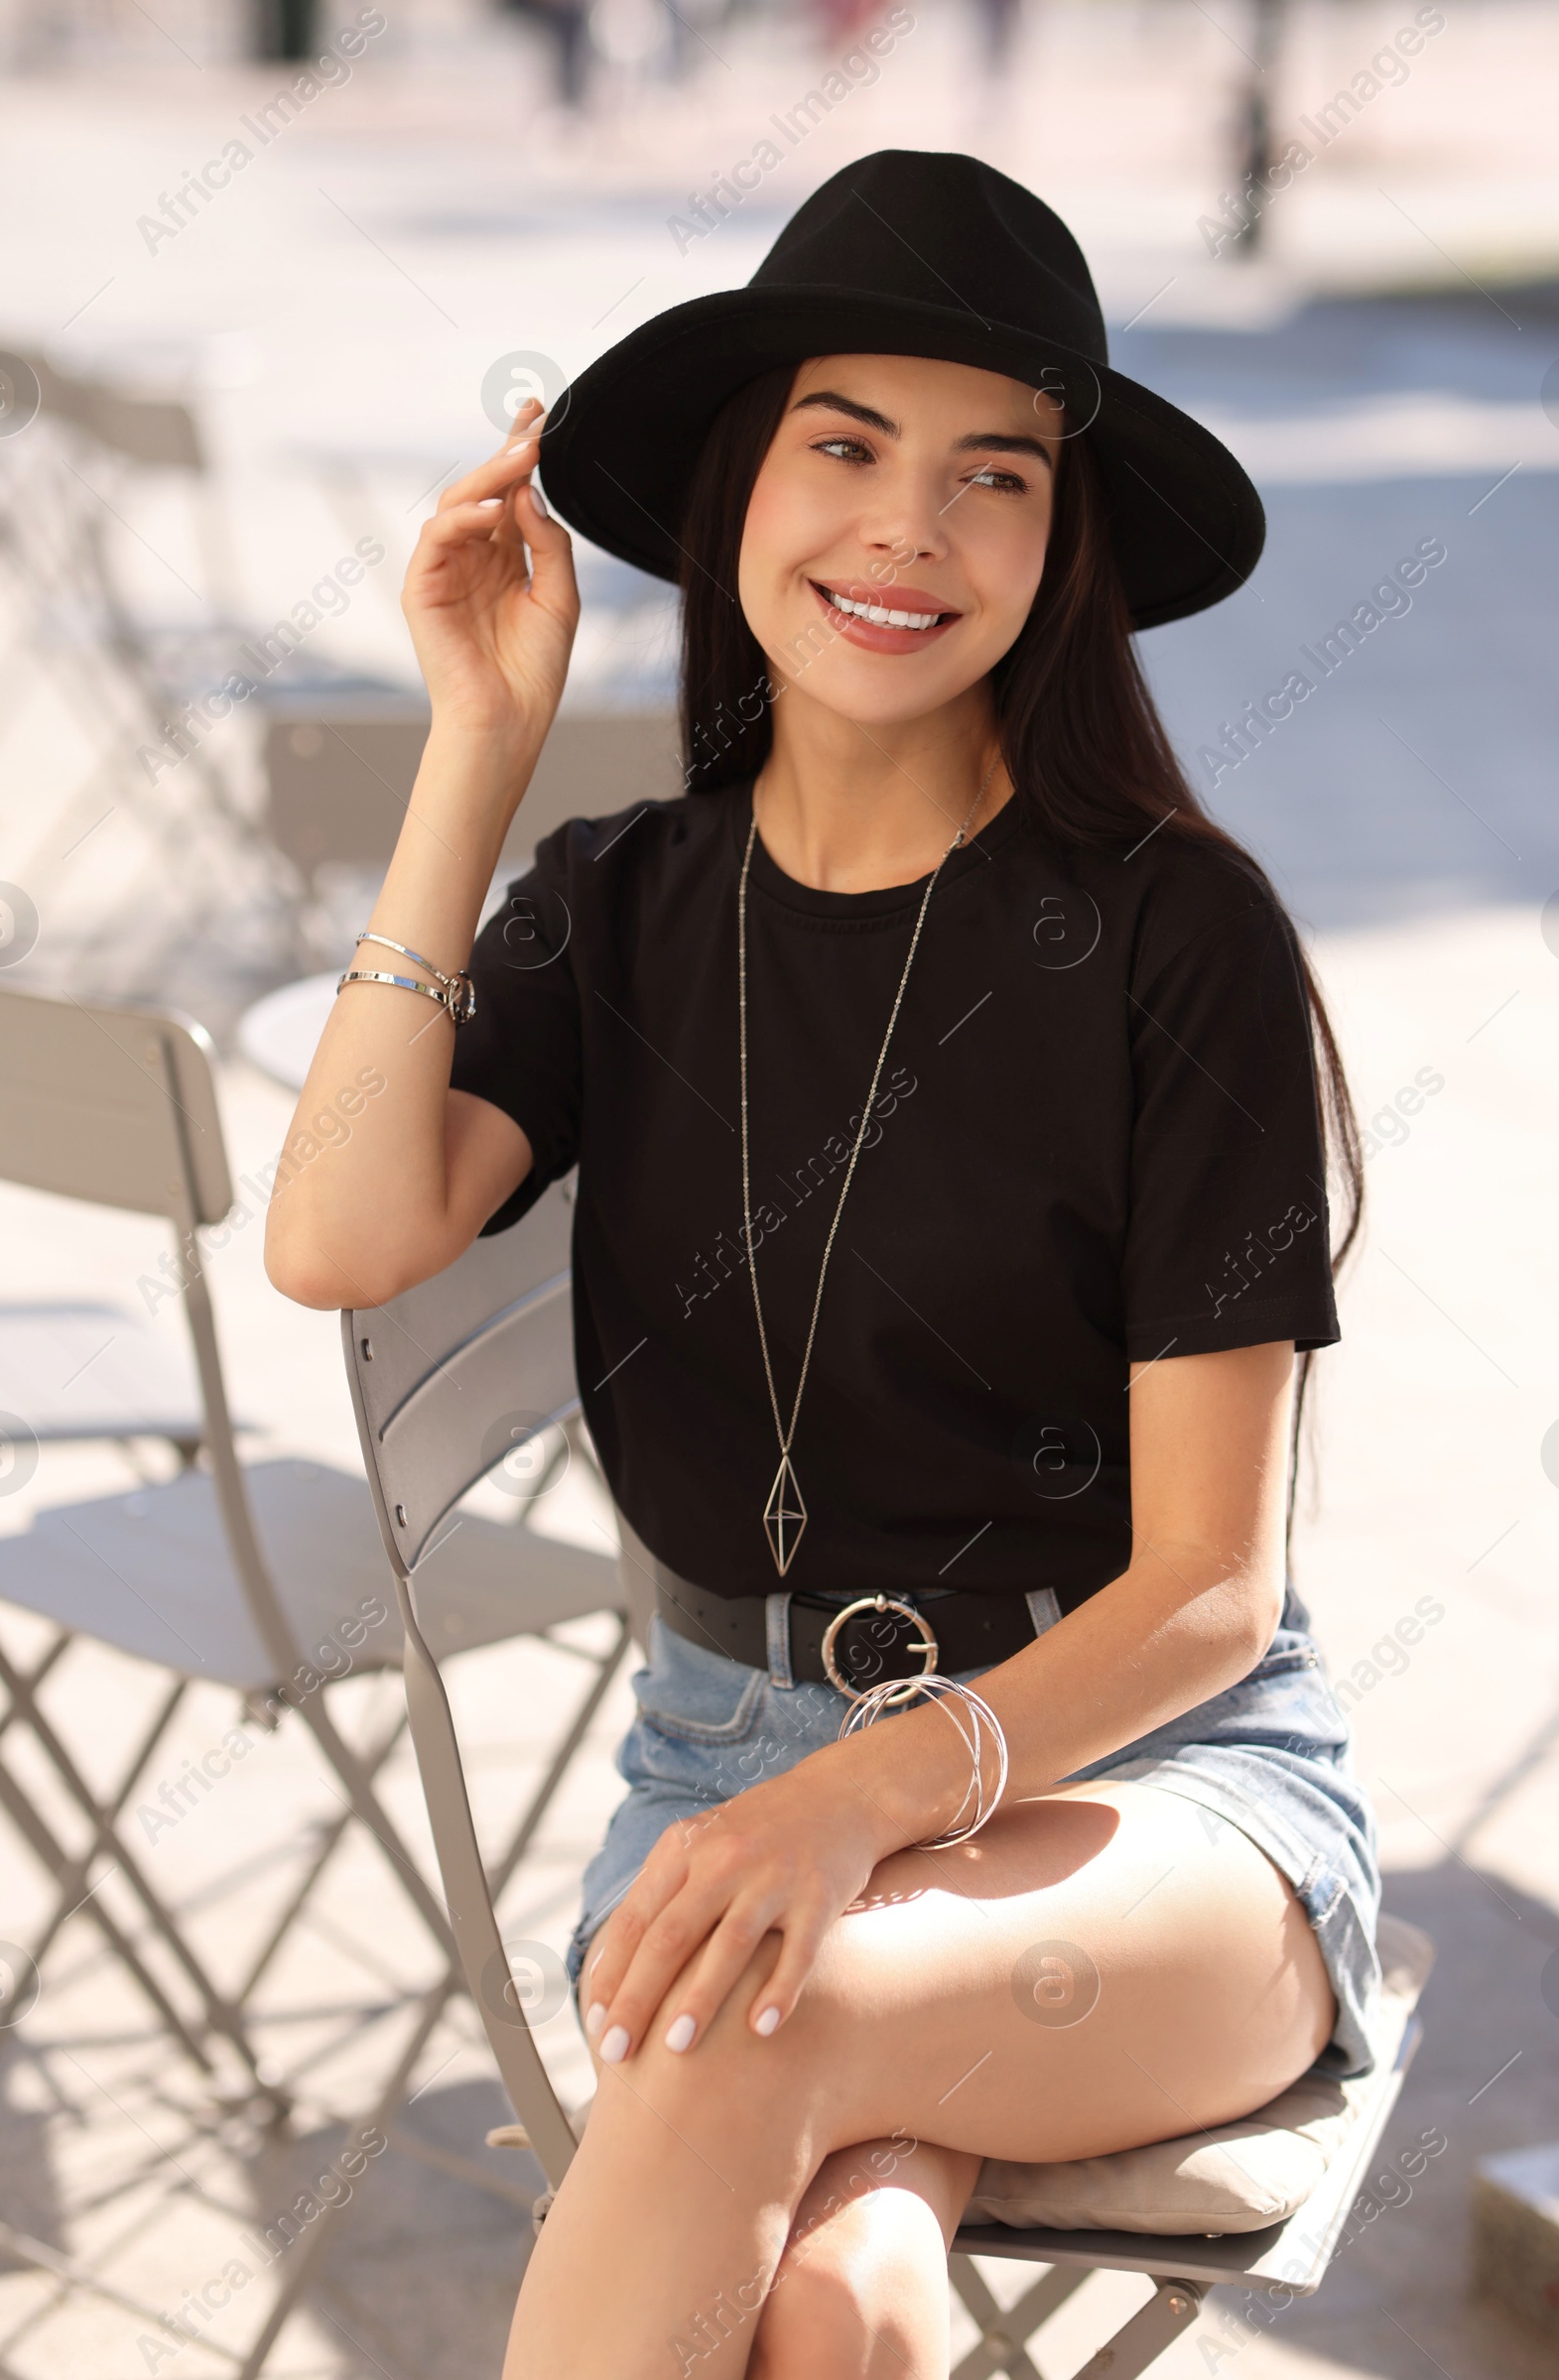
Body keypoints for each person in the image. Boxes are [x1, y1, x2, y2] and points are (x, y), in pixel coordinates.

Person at [266, 149, 1378, 2380]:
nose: (905, 530)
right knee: (841, 2307)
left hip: (1140, 1783)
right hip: (722, 1764)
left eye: (989, 477)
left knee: (731, 2045)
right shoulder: (617, 902)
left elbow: (1207, 1593)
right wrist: (473, 748)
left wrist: (859, 1797)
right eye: (841, 447)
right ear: (734, 493)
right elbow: (336, 1235)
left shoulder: (1179, 939)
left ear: (1055, 554)